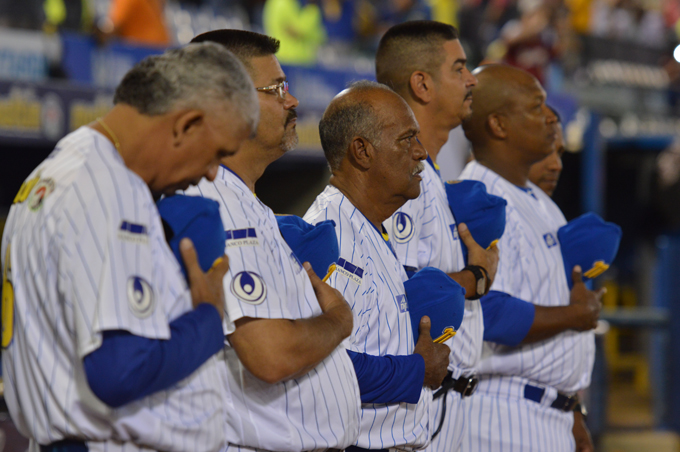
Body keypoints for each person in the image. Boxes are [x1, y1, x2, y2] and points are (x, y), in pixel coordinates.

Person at [1, 43, 258, 451]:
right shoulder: (109, 186)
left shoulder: (60, 168)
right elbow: (118, 372)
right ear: (186, 125)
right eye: (217, 154)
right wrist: (207, 319)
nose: (211, 174)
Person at [186, 30, 361, 451]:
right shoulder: (212, 202)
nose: (292, 100)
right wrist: (339, 319)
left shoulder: (246, 202)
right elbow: (270, 355)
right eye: (277, 89)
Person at [458, 64, 602, 452]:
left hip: (546, 412)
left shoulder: (537, 200)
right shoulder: (480, 199)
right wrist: (575, 316)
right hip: (502, 415)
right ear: (499, 125)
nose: (548, 119)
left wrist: (572, 412)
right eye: (536, 108)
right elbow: (488, 314)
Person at [304, 81, 451, 451]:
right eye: (406, 139)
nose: (420, 152)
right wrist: (417, 371)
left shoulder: (368, 225)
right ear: (362, 151)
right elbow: (320, 364)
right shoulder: (331, 231)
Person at [376, 20, 499, 451]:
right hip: (416, 406)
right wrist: (476, 278)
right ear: (422, 84)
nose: (471, 80)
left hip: (444, 402)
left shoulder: (427, 173)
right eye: (460, 68)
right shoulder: (402, 177)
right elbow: (398, 292)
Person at [528, 108, 564, 197]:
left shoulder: (549, 208)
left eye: (559, 153)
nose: (557, 166)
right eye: (545, 150)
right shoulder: (491, 206)